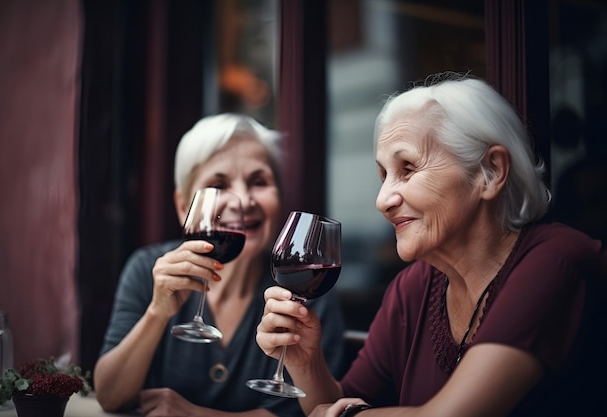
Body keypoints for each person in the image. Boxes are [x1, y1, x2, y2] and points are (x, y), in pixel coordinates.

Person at [255, 73, 607, 417]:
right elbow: (338, 401)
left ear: (491, 171)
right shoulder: (414, 287)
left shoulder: (556, 260)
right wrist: (307, 363)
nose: (382, 200)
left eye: (407, 168)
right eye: (383, 175)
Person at [94, 113, 345, 417]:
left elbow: (314, 412)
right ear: (184, 206)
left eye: (258, 181)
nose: (242, 199)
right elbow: (110, 396)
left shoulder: (306, 288)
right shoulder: (148, 269)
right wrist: (157, 313)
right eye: (219, 185)